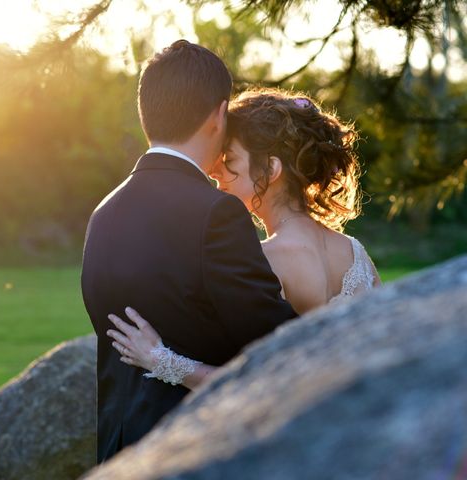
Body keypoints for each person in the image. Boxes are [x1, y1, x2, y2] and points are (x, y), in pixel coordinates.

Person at [81, 44, 297, 463]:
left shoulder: (102, 215)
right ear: (219, 114)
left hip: (118, 457)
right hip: (197, 453)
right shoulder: (215, 213)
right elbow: (276, 342)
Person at [106, 88, 381, 391]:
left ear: (271, 169)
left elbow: (257, 378)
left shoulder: (261, 259)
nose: (216, 174)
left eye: (231, 161)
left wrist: (161, 360)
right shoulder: (357, 254)